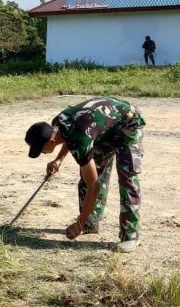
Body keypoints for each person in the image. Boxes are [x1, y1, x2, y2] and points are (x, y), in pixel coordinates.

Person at [25, 97, 145, 253]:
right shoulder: (58, 123)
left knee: (126, 178)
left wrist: (78, 223)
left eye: (40, 149)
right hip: (104, 129)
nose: (41, 153)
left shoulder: (80, 139)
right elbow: (68, 137)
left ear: (51, 141)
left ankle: (130, 235)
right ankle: (90, 222)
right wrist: (59, 159)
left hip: (128, 123)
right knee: (87, 175)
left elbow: (93, 186)